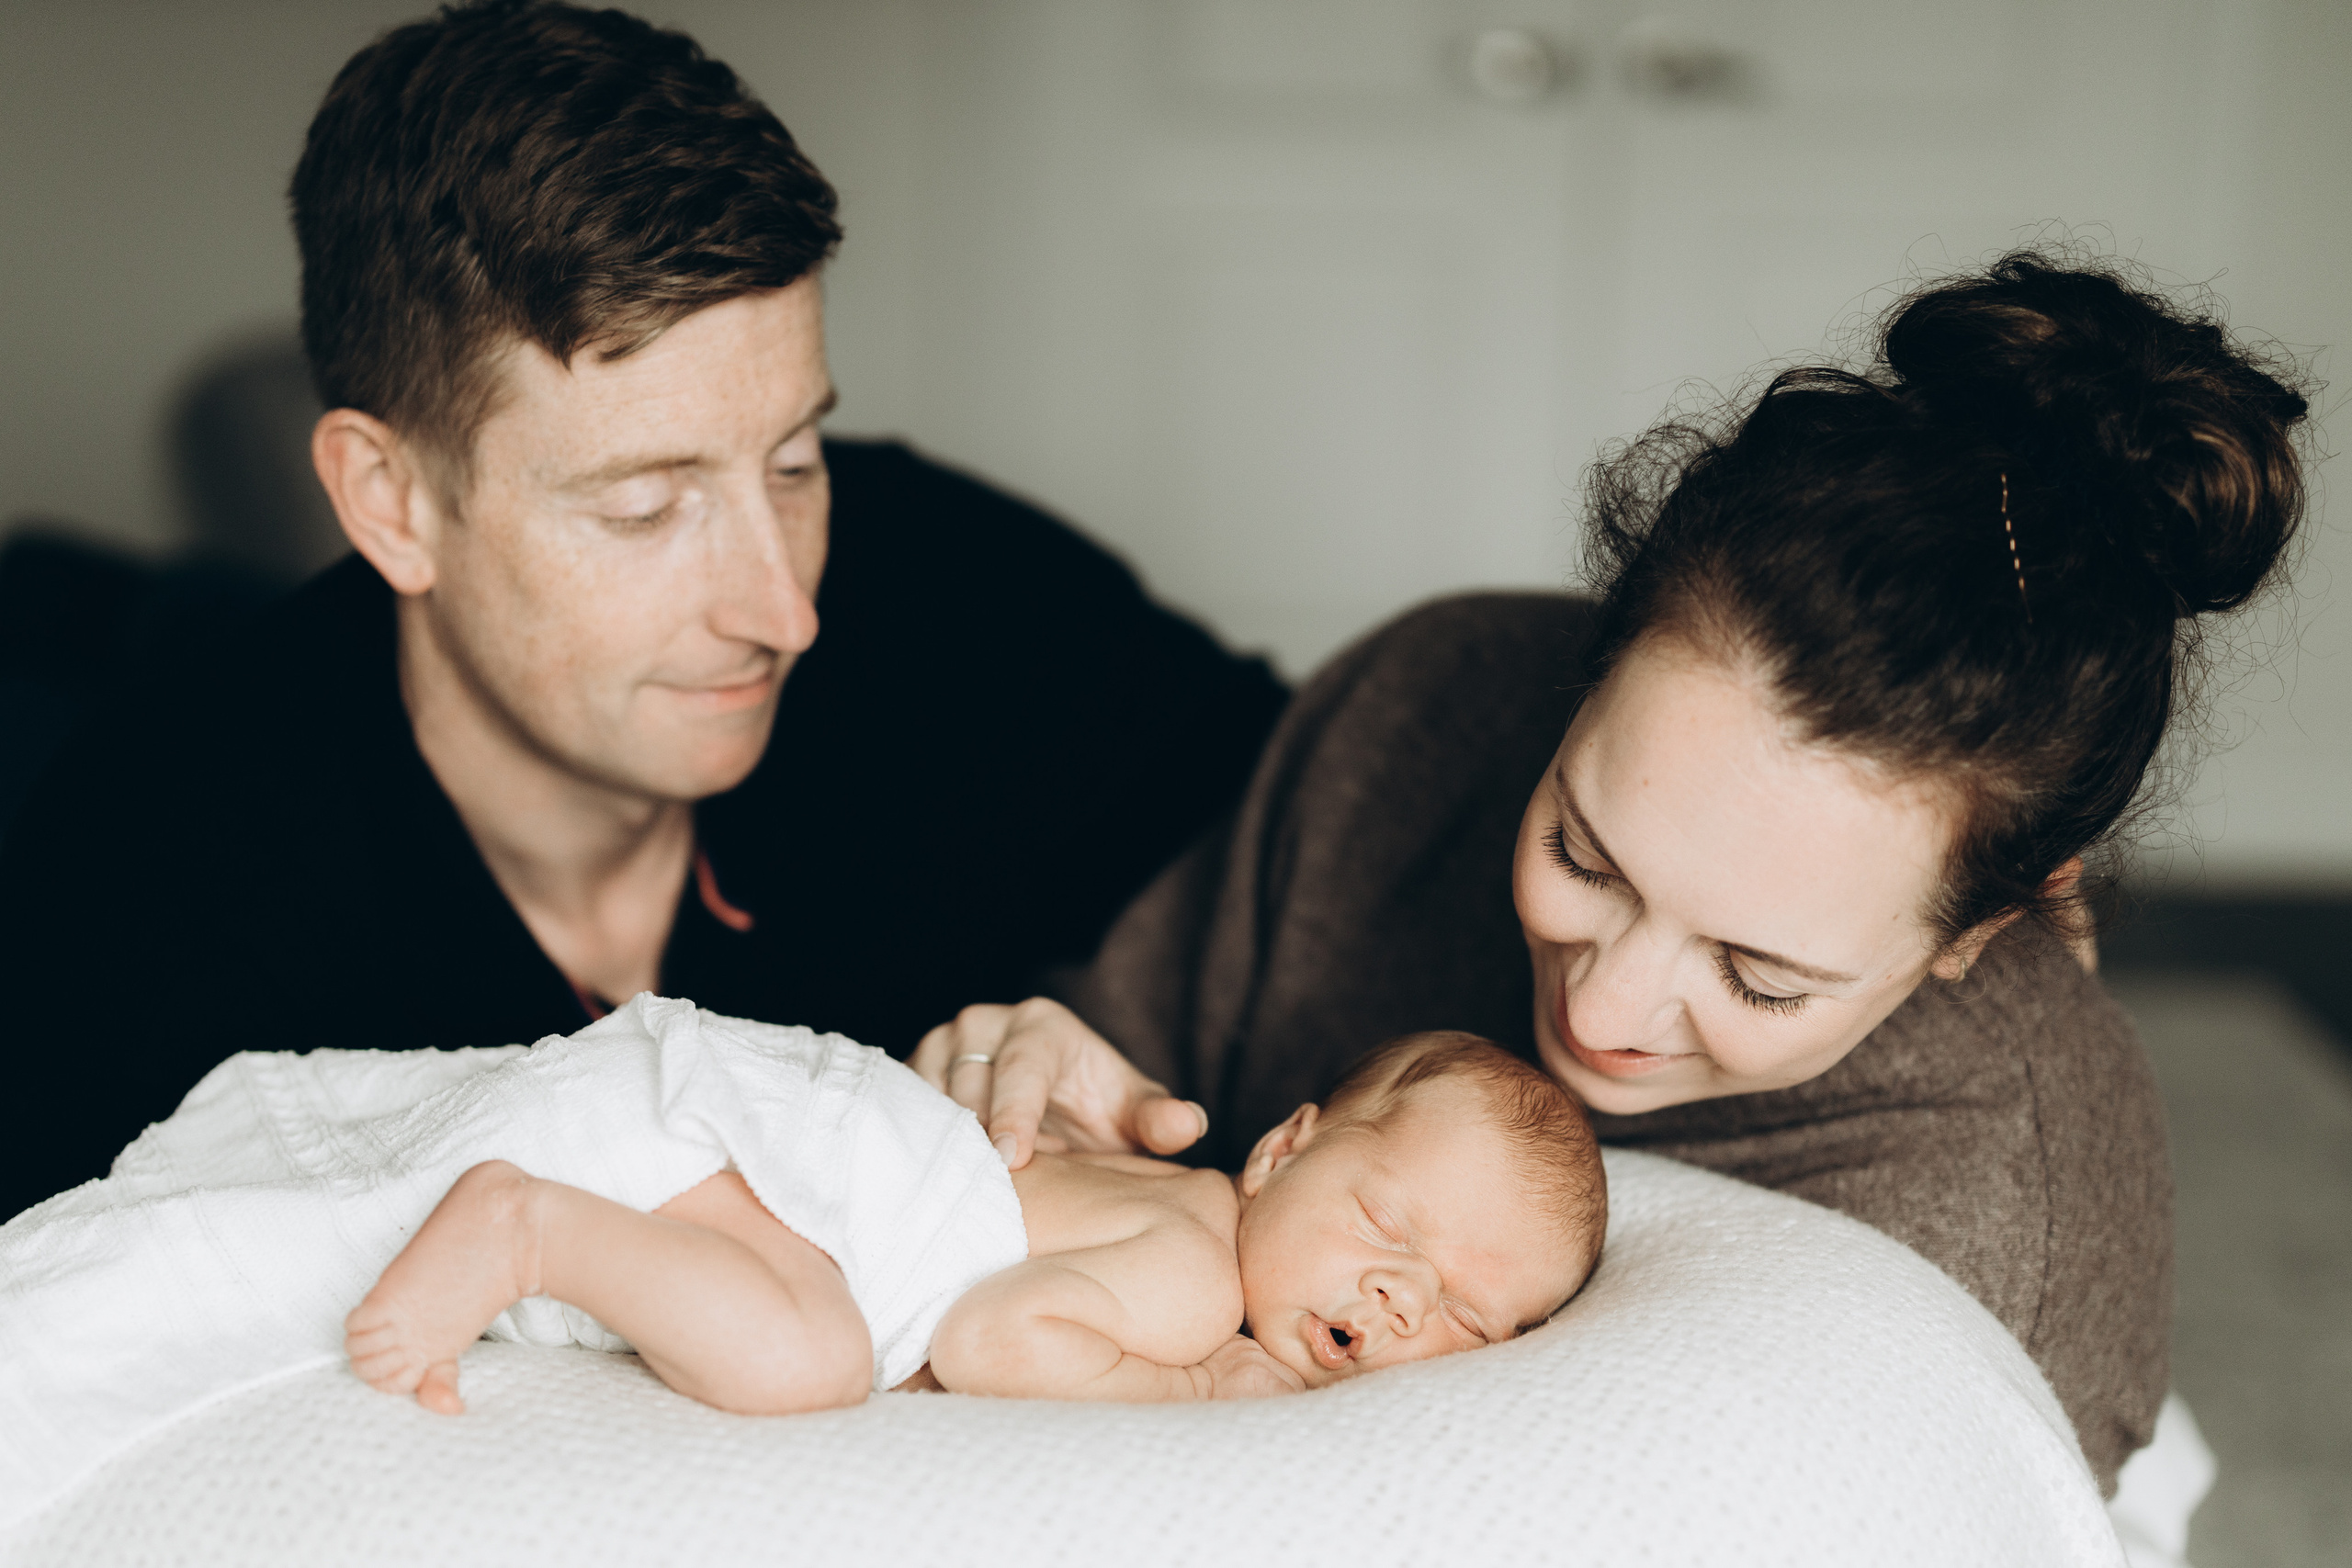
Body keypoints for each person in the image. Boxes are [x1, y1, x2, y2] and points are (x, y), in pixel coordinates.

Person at [914, 253, 2312, 1493]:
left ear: (1989, 922)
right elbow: (1129, 1126)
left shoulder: (2010, 1213)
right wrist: (1039, 1093)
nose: (1604, 1016)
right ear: (1583, 682)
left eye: (1758, 976)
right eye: (1582, 852)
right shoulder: (1427, 712)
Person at [0, 1, 1284, 1220]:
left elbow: (1326, 837)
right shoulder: (146, 904)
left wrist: (1112, 1030)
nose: (785, 611)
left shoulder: (947, 584)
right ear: (388, 499)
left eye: (792, 463)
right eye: (642, 508)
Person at [347, 1027, 1605, 1413]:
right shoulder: (1195, 1279)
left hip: (762, 1122)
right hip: (789, 1171)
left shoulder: (1169, 1200)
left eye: (1465, 1315)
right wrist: (1193, 1395)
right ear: (1281, 1151)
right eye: (1390, 1225)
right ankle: (528, 1229)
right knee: (811, 1356)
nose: (1400, 1295)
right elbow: (999, 1337)